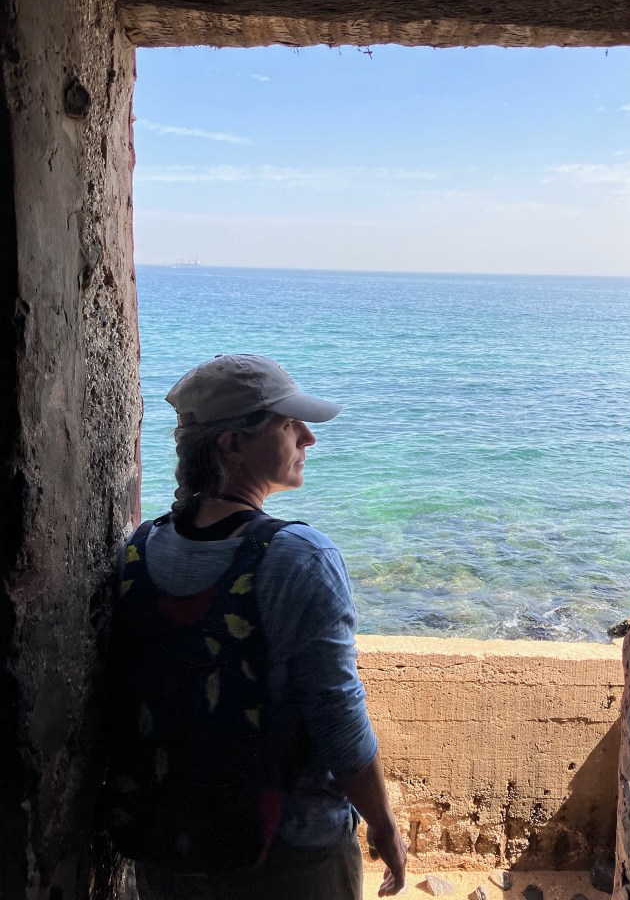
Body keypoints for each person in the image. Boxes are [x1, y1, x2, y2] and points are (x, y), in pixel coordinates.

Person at [104, 354, 407, 900]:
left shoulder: (141, 548)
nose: (308, 437)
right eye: (288, 425)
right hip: (287, 854)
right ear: (232, 444)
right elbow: (337, 714)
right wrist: (383, 825)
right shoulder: (299, 557)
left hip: (169, 840)